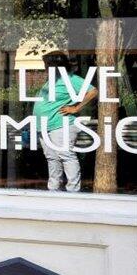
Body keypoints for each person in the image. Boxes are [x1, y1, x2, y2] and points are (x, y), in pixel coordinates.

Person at [35, 51, 96, 193]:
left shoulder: (70, 79)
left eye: (47, 64)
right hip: (46, 126)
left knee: (66, 156)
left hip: (61, 124)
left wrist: (76, 108)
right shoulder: (52, 80)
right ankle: (54, 189)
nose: (45, 67)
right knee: (52, 158)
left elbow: (92, 91)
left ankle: (73, 191)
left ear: (55, 65)